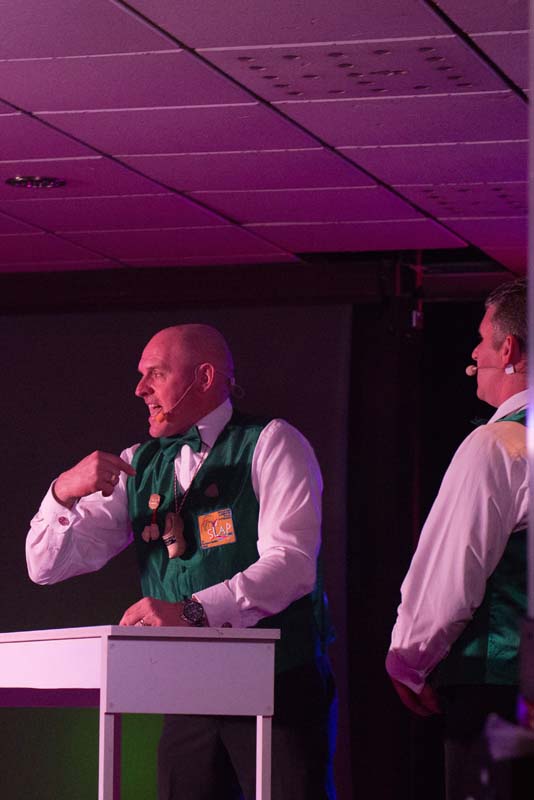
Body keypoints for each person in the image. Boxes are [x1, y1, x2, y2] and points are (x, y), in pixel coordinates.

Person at [26, 323, 335, 800]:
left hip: (277, 685)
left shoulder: (271, 442)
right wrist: (62, 492)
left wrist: (192, 611)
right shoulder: (138, 462)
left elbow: (292, 564)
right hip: (187, 690)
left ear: (204, 377)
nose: (140, 389)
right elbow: (45, 567)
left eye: (156, 373)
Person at [386, 279, 529, 800]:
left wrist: (409, 661)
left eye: (481, 339)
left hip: (501, 689)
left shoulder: (497, 444)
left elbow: (451, 573)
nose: (473, 353)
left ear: (509, 349)